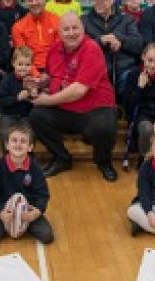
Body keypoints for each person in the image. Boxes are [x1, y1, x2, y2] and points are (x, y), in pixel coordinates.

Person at [30, 13, 119, 181]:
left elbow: (78, 90)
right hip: (66, 108)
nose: (71, 33)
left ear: (83, 29)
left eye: (75, 28)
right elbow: (51, 76)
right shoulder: (54, 49)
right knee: (37, 116)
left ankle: (104, 162)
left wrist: (47, 100)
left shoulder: (92, 48)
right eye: (66, 29)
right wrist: (38, 84)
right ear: (59, 32)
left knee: (104, 128)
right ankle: (62, 158)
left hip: (95, 108)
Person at [0, 125, 55, 245]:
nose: (18, 144)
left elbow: (43, 195)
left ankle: (22, 224)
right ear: (7, 145)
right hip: (3, 210)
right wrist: (0, 212)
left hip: (26, 210)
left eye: (23, 141)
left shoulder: (35, 168)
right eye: (14, 140)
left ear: (30, 147)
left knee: (47, 236)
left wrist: (35, 212)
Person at [82, 0, 143, 84]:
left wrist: (119, 40)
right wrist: (101, 40)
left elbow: (138, 45)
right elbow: (80, 48)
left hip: (124, 71)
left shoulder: (127, 19)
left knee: (134, 79)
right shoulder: (83, 21)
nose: (99, 1)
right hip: (96, 72)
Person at [0, 47, 37, 147]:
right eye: (20, 64)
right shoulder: (7, 80)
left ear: (32, 66)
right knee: (6, 134)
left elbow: (36, 104)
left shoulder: (33, 81)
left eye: (27, 65)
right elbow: (1, 101)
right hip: (8, 114)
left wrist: (35, 96)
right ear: (13, 64)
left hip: (25, 115)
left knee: (30, 134)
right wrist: (17, 98)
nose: (23, 68)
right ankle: (7, 158)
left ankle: (28, 156)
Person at [12, 0, 60, 71]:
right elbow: (22, 57)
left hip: (55, 68)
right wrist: (36, 75)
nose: (34, 3)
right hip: (29, 71)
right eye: (30, 0)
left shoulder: (57, 21)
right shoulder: (18, 27)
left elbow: (60, 53)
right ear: (25, 3)